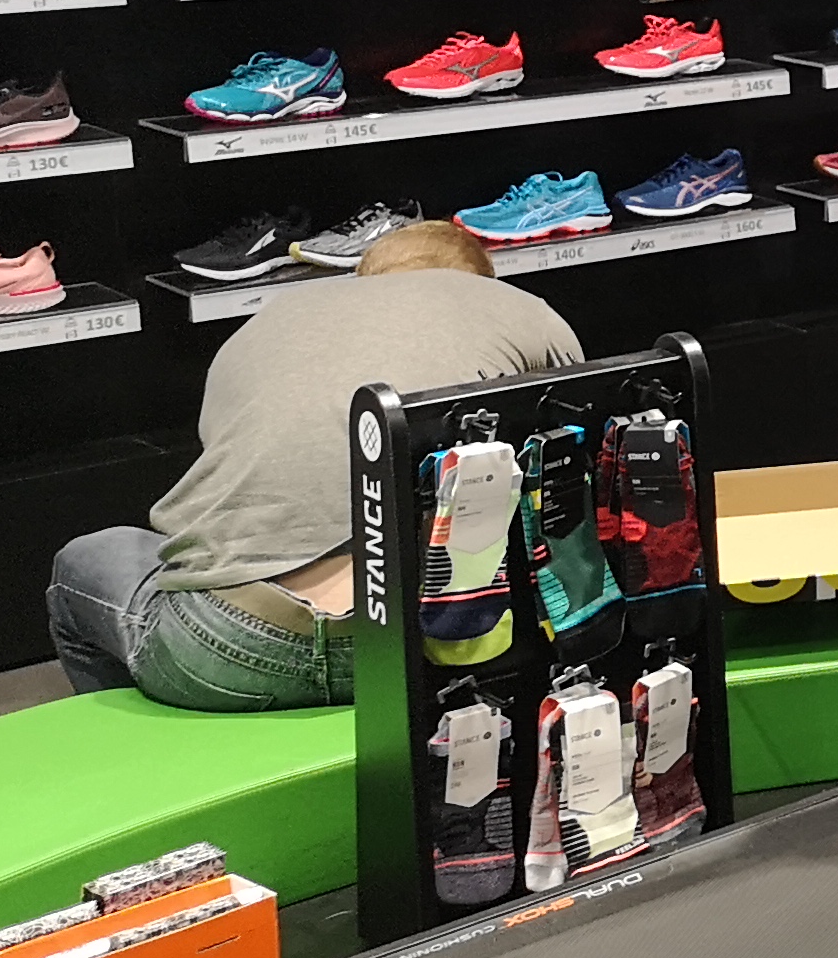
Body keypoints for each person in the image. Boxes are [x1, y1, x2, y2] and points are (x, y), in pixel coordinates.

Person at [45, 221, 579, 710]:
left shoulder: (275, 315)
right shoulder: (521, 310)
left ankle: (154, 754)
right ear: (480, 279)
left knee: (84, 562)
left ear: (364, 273)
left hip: (231, 644)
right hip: (439, 645)